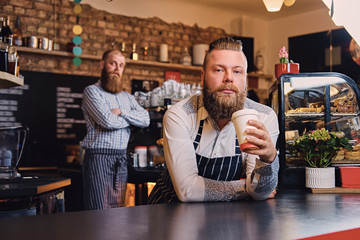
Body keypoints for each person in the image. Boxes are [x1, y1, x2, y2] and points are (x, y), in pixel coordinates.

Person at [148, 37, 279, 204]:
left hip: (228, 221)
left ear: (245, 78)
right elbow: (187, 190)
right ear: (203, 76)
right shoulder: (180, 114)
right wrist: (245, 188)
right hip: (168, 212)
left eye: (237, 71)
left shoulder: (263, 116)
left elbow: (260, 193)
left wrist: (269, 160)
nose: (229, 78)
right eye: (219, 70)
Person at [81, 49, 150, 210]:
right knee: (97, 212)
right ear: (102, 65)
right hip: (98, 159)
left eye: (121, 65)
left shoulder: (127, 97)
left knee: (118, 212)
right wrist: (131, 120)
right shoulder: (92, 91)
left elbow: (146, 120)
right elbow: (107, 121)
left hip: (120, 158)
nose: (117, 69)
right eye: (113, 63)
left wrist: (121, 112)